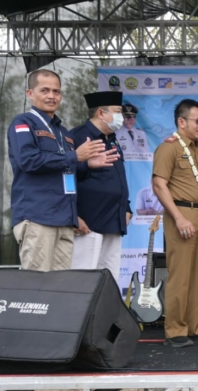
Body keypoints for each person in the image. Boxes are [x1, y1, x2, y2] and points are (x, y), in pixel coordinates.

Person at [8, 69, 118, 271]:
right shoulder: (23, 123)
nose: (51, 96)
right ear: (30, 93)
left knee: (60, 290)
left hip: (64, 220)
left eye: (56, 91)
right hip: (38, 217)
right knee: (37, 289)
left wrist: (86, 165)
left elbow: (64, 169)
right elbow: (28, 161)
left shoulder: (63, 132)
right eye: (45, 90)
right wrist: (75, 156)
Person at [152, 99, 198, 348]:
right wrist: (179, 217)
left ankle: (196, 327)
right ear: (182, 122)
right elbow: (159, 185)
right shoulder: (169, 148)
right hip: (180, 215)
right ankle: (175, 331)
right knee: (180, 276)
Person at [70, 91, 132, 282]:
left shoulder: (112, 139)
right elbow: (66, 175)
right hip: (89, 222)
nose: (121, 117)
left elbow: (118, 177)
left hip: (114, 219)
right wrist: (73, 215)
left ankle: (104, 313)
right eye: (117, 111)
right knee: (83, 279)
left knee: (109, 280)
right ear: (101, 113)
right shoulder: (77, 137)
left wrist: (127, 207)